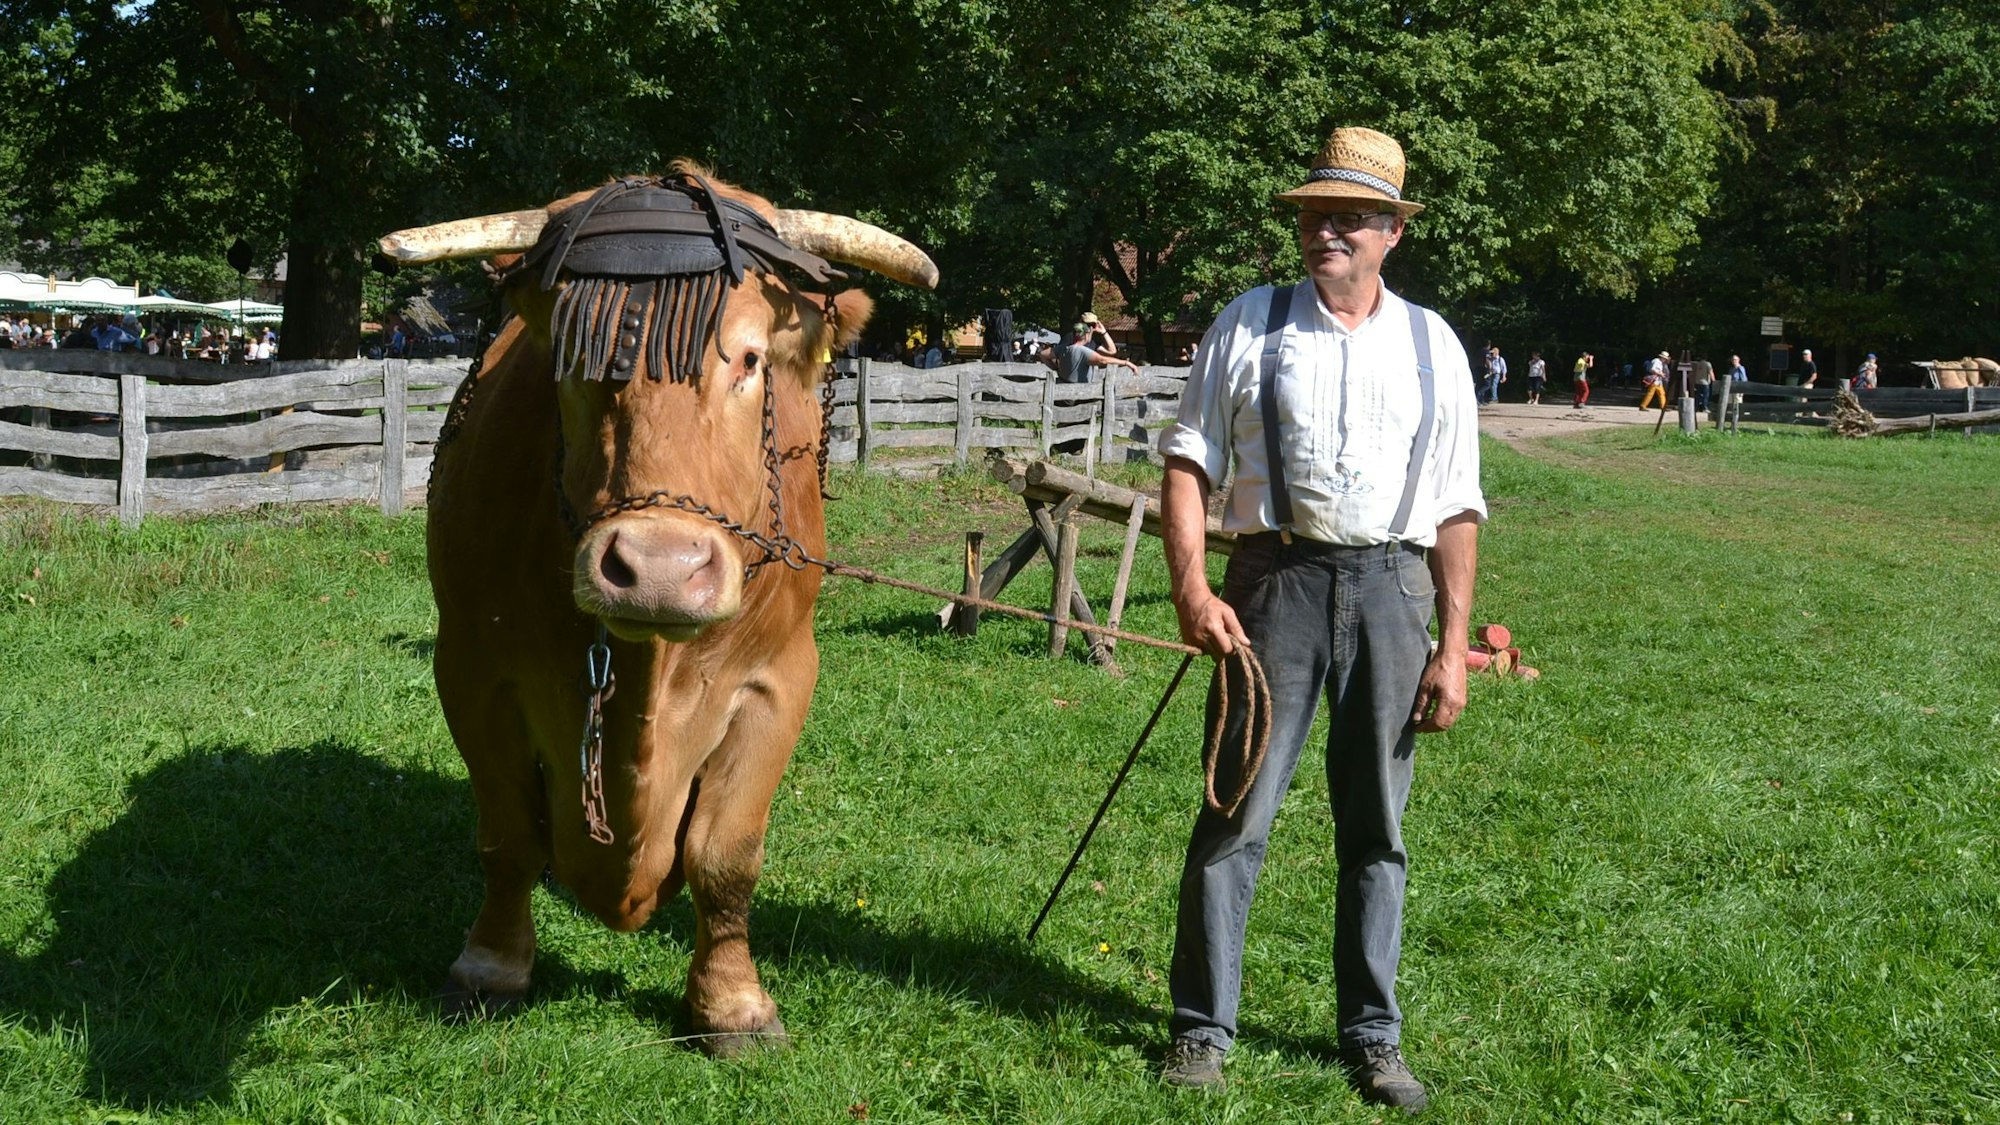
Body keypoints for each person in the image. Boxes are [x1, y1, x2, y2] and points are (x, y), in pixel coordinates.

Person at [1155, 126, 1485, 1113]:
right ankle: (1200, 1032)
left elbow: (1456, 505)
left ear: (1391, 231)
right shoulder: (1249, 326)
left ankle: (1372, 1039)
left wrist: (1454, 648)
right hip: (1274, 585)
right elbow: (1186, 461)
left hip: (1392, 592)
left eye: (1346, 217)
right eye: (1312, 216)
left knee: (1376, 830)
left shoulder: (1433, 345)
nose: (1324, 231)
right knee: (1232, 813)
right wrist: (1189, 587)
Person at [1038, 322, 1139, 384]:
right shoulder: (1083, 352)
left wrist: (1055, 368)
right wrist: (1126, 363)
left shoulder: (1063, 348)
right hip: (1079, 394)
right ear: (1087, 335)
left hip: (1062, 389)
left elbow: (1043, 354)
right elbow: (1103, 360)